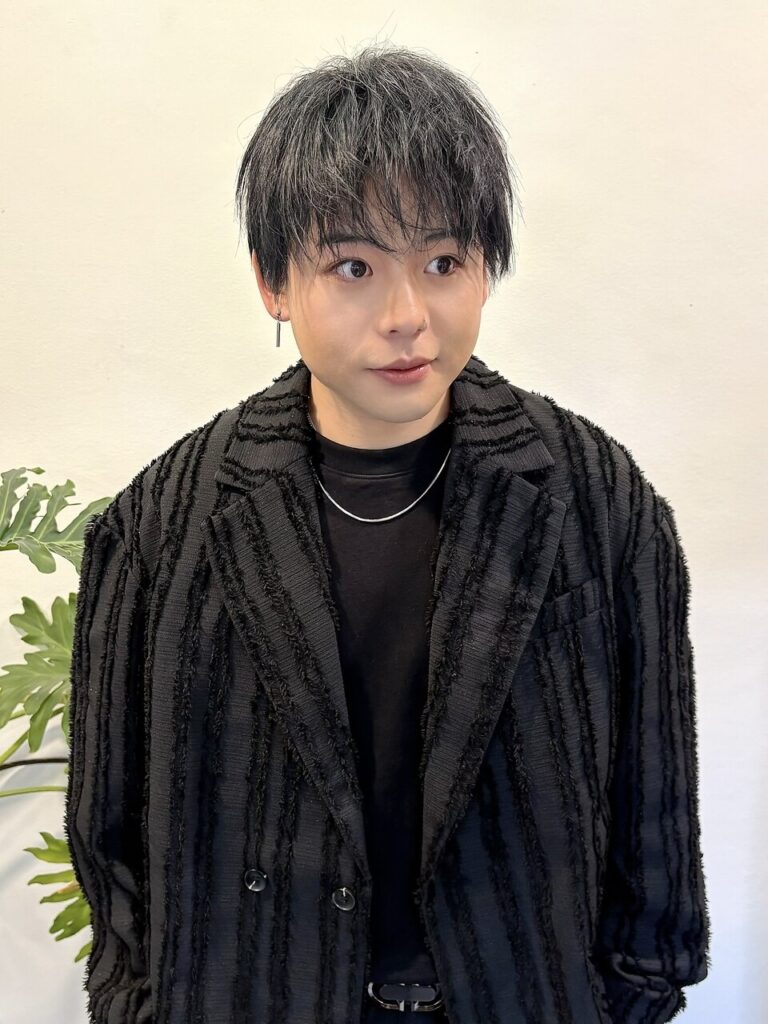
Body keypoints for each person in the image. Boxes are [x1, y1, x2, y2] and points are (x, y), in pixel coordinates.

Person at [64, 43, 711, 1024]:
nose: (408, 315)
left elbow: (652, 789)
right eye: (354, 266)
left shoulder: (593, 495)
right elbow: (109, 818)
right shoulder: (164, 519)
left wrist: (632, 994)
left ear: (485, 267)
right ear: (274, 282)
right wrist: (139, 1002)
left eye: (443, 262)